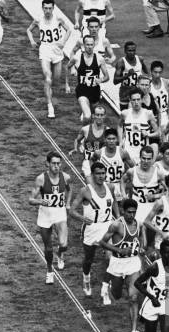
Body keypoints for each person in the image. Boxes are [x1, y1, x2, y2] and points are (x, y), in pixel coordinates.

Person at [99, 199, 146, 332]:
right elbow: (101, 242)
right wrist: (119, 249)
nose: (131, 215)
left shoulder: (139, 224)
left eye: (134, 212)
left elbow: (141, 239)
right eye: (129, 212)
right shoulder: (116, 225)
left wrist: (141, 248)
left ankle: (134, 331)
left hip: (132, 264)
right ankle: (110, 285)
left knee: (133, 297)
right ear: (123, 211)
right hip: (117, 263)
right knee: (117, 295)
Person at [70, 161, 119, 297]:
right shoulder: (85, 190)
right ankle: (86, 278)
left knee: (111, 257)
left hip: (107, 225)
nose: (101, 176)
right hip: (91, 228)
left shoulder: (110, 187)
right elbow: (72, 210)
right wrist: (82, 218)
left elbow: (114, 202)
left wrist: (119, 217)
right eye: (98, 173)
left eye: (103, 173)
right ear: (92, 175)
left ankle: (106, 285)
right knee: (89, 259)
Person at [29, 152, 72, 284]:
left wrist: (68, 203)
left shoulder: (65, 177)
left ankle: (60, 254)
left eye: (58, 163)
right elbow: (31, 199)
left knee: (64, 244)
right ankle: (49, 270)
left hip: (59, 213)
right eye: (53, 163)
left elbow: (69, 189)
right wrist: (40, 202)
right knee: (48, 248)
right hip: (45, 215)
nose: (56, 166)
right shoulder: (41, 179)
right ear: (47, 163)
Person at [27, 0, 71, 118]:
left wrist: (63, 41)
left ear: (53, 8)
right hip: (45, 50)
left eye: (49, 8)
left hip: (57, 51)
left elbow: (69, 30)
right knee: (48, 77)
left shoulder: (58, 19)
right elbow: (29, 30)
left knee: (56, 80)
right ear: (42, 8)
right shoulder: (38, 19)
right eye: (45, 8)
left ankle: (50, 93)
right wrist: (32, 41)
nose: (47, 10)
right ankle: (50, 106)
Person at [67, 35, 109, 123]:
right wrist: (67, 84)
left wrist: (101, 80)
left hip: (95, 91)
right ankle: (84, 134)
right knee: (87, 116)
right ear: (83, 45)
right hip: (82, 90)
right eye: (87, 45)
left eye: (91, 45)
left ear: (94, 45)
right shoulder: (77, 58)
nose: (89, 47)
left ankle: (87, 130)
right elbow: (67, 67)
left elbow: (107, 77)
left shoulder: (100, 59)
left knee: (95, 117)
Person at [121, 146, 165, 225]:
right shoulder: (132, 171)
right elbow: (122, 180)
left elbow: (168, 192)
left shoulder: (158, 173)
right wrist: (124, 194)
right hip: (137, 208)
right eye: (144, 158)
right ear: (140, 158)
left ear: (152, 159)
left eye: (148, 159)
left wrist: (156, 196)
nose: (146, 161)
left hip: (153, 209)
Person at [144, 174, 169, 249]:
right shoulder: (161, 203)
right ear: (167, 187)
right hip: (161, 244)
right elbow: (146, 221)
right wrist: (161, 233)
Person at [119, 89, 159, 163]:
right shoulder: (125, 113)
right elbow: (119, 126)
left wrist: (148, 134)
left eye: (138, 99)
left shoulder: (148, 113)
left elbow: (158, 133)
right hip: (128, 150)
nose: (136, 102)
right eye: (133, 100)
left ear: (142, 100)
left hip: (143, 151)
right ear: (130, 100)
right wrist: (121, 140)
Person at [69, 104, 107, 182]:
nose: (99, 117)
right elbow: (77, 140)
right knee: (91, 186)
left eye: (101, 115)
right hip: (87, 162)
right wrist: (75, 148)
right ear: (93, 116)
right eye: (97, 115)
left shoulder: (107, 131)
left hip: (102, 163)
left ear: (104, 116)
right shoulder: (85, 129)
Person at [90, 127, 134, 194]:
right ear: (105, 140)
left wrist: (127, 179)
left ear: (117, 139)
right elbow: (92, 160)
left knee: (119, 203)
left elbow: (133, 167)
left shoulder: (123, 153)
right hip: (105, 185)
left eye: (113, 139)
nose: (111, 141)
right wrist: (94, 173)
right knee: (106, 203)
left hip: (119, 186)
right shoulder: (99, 153)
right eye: (109, 139)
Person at [113, 42, 149, 112]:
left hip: (138, 92)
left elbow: (147, 72)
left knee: (140, 114)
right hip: (125, 93)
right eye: (129, 51)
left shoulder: (140, 59)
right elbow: (115, 81)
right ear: (125, 51)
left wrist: (145, 80)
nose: (132, 53)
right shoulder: (121, 62)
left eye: (133, 50)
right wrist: (127, 75)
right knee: (125, 116)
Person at [149, 60, 169, 131]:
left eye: (160, 72)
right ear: (151, 71)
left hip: (164, 114)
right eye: (155, 72)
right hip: (153, 115)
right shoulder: (147, 84)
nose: (158, 75)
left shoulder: (167, 82)